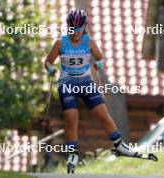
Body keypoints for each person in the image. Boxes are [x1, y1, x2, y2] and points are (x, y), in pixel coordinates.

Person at [44, 9, 139, 173]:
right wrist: (51, 69)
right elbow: (48, 61)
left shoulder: (89, 42)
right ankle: (72, 154)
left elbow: (101, 57)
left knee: (103, 114)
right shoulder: (60, 43)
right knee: (70, 117)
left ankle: (120, 145)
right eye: (71, 28)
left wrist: (99, 64)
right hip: (67, 83)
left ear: (83, 27)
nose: (75, 32)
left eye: (78, 29)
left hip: (86, 82)